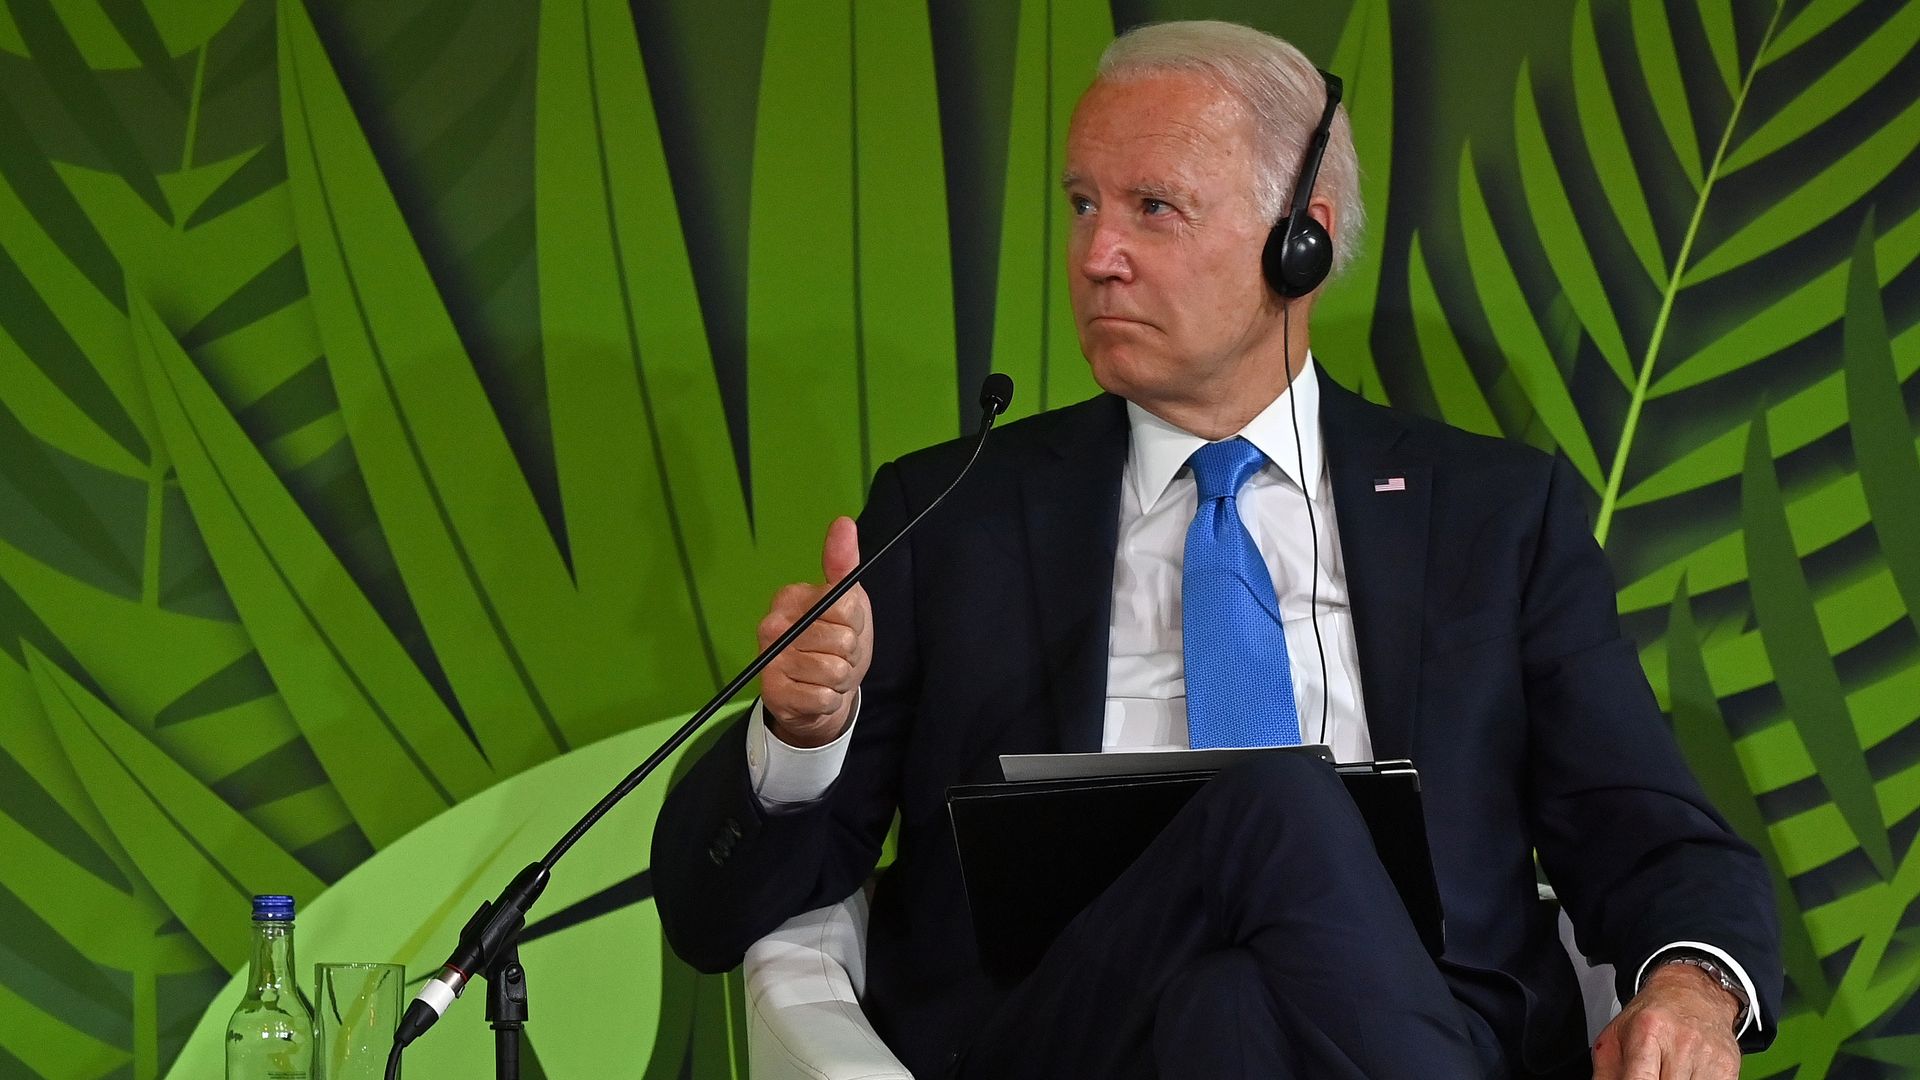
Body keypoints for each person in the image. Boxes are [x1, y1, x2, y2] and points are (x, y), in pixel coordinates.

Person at [652, 20, 1780, 1080]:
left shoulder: (1492, 515)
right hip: (1059, 1031)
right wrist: (797, 738)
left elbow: (1650, 832)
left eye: (1154, 208)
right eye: (1084, 204)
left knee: (1231, 1007)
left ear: (1303, 241)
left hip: (1391, 1022)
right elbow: (716, 920)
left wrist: (1691, 983)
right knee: (1275, 803)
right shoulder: (956, 510)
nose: (1098, 255)